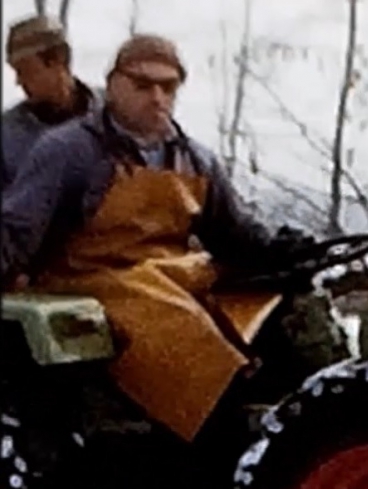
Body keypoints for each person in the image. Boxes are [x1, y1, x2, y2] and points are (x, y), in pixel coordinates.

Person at [0, 34, 310, 443]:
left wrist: (280, 252)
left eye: (168, 87)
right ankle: (218, 424)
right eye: (143, 85)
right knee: (172, 318)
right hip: (91, 278)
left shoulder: (194, 158)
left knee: (268, 306)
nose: (157, 98)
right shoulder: (68, 150)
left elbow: (232, 234)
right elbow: (17, 229)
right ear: (113, 85)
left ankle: (293, 402)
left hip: (169, 272)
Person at [2, 15, 100, 189]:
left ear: (57, 61)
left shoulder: (114, 113)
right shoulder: (6, 135)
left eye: (25, 70)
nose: (19, 81)